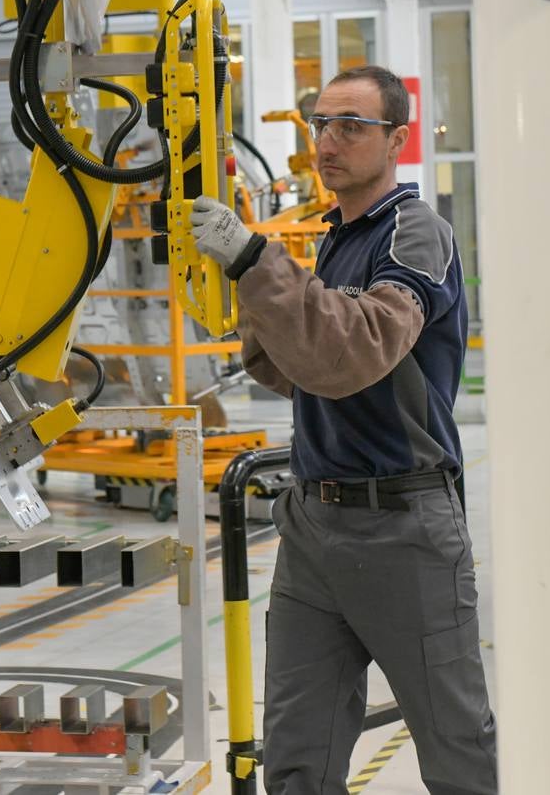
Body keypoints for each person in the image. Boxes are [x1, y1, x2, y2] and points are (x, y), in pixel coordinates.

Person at [187, 65, 496, 795]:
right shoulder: (335, 238)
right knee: (298, 749)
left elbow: (354, 350)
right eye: (321, 123)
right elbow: (298, 370)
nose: (329, 140)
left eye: (351, 126)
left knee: (455, 745)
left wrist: (255, 262)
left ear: (396, 139)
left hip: (405, 529)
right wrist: (252, 287)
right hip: (314, 525)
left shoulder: (415, 234)